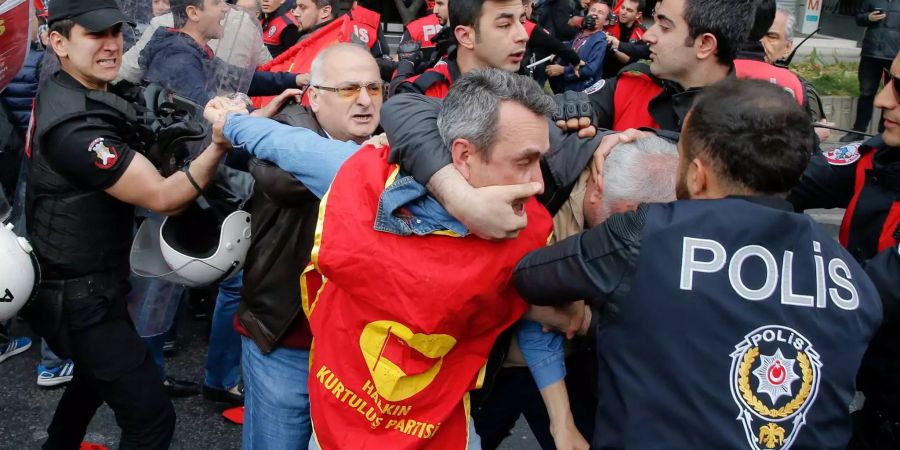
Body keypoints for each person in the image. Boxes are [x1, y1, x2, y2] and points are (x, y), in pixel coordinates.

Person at [206, 67, 599, 449]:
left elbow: (523, 313)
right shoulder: (365, 180)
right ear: (463, 154)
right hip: (343, 411)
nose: (539, 184)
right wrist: (230, 121)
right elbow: (282, 142)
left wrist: (561, 422)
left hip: (439, 424)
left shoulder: (529, 228)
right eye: (523, 161)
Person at [513, 78, 883, 449]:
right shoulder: (852, 280)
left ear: (696, 175)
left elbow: (528, 277)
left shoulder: (644, 235)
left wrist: (586, 319)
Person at [23, 0, 231, 447]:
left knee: (93, 383)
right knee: (151, 417)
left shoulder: (71, 89)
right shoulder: (77, 129)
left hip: (87, 284)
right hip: (78, 298)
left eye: (116, 33)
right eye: (95, 35)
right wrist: (219, 144)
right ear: (58, 42)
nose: (112, 45)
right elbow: (163, 197)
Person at [475, 135, 679, 450]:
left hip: (575, 363)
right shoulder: (540, 192)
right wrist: (562, 421)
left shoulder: (660, 205)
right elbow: (530, 308)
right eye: (625, 218)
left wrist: (585, 320)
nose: (628, 238)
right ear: (597, 189)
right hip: (497, 362)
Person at [233, 43, 382, 449]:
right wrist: (376, 161)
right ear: (314, 98)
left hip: (358, 346)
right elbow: (278, 179)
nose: (366, 101)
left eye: (374, 88)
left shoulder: (388, 141)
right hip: (287, 334)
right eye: (349, 89)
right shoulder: (286, 128)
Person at [788, 51, 900, 449]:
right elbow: (777, 176)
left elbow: (876, 292)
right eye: (888, 80)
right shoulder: (881, 157)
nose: (884, 100)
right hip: (874, 394)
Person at [560, 0, 754, 133]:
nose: (647, 36)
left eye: (664, 26)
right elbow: (580, 105)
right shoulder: (632, 84)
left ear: (704, 45)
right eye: (655, 19)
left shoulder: (743, 129)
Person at [117, 0, 274, 86]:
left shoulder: (163, 24)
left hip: (191, 129)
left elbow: (126, 73)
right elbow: (268, 66)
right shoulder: (245, 21)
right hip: (228, 123)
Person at [841, 0, 900, 142]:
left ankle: (883, 132)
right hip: (870, 52)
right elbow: (858, 18)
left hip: (893, 55)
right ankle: (858, 130)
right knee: (866, 92)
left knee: (892, 95)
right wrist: (868, 17)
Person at [545, 0, 608, 93]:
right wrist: (559, 49)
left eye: (600, 12)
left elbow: (590, 69)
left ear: (606, 21)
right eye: (593, 10)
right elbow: (570, 44)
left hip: (582, 92)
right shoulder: (581, 33)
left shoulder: (600, 40)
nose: (595, 14)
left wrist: (563, 70)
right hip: (567, 88)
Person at [602, 0, 648, 77]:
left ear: (637, 15)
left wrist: (613, 47)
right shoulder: (608, 20)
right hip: (599, 67)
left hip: (620, 74)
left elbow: (628, 60)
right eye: (623, 8)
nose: (623, 12)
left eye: (629, 10)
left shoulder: (642, 35)